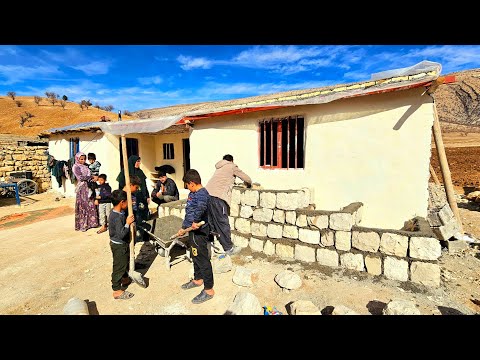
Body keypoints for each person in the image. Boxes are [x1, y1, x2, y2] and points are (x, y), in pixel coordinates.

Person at [175, 169, 214, 304]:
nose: (187, 188)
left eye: (187, 185)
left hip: (200, 232)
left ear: (192, 183)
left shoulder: (202, 194)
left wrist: (196, 222)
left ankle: (209, 290)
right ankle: (198, 279)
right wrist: (184, 228)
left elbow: (201, 208)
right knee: (195, 255)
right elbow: (190, 212)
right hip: (192, 230)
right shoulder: (193, 193)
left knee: (203, 259)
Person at [205, 154, 252, 255]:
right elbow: (246, 178)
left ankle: (211, 246)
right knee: (222, 223)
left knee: (211, 223)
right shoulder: (231, 166)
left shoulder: (219, 167)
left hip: (207, 195)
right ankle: (229, 249)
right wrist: (249, 184)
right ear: (231, 160)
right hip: (218, 198)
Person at [108, 189, 135, 300]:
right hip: (119, 245)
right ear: (122, 202)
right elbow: (121, 234)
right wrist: (128, 224)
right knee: (119, 266)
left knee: (124, 263)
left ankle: (125, 279)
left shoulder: (115, 212)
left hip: (118, 244)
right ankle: (116, 290)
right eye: (127, 202)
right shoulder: (118, 217)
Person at [117, 155, 151, 242]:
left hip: (141, 198)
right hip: (131, 199)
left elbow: (144, 186)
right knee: (133, 216)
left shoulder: (140, 172)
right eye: (137, 161)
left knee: (143, 216)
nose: (139, 163)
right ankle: (133, 235)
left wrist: (147, 196)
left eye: (139, 161)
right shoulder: (125, 173)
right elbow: (121, 186)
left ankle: (143, 235)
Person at [72, 151, 99, 232]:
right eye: (81, 159)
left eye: (84, 159)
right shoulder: (75, 167)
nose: (83, 161)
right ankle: (84, 224)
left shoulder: (87, 165)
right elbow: (80, 177)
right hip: (82, 188)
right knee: (84, 205)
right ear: (77, 159)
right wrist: (91, 177)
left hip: (90, 186)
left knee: (91, 203)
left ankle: (93, 223)